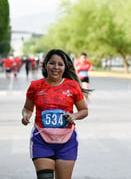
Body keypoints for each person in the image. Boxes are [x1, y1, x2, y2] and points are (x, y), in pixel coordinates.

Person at [21, 49, 91, 179]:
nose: (56, 67)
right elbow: (27, 108)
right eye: (52, 63)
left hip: (67, 142)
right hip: (41, 141)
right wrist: (26, 115)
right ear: (46, 64)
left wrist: (74, 116)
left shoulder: (73, 86)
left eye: (60, 64)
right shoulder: (35, 86)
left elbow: (84, 110)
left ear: (65, 67)